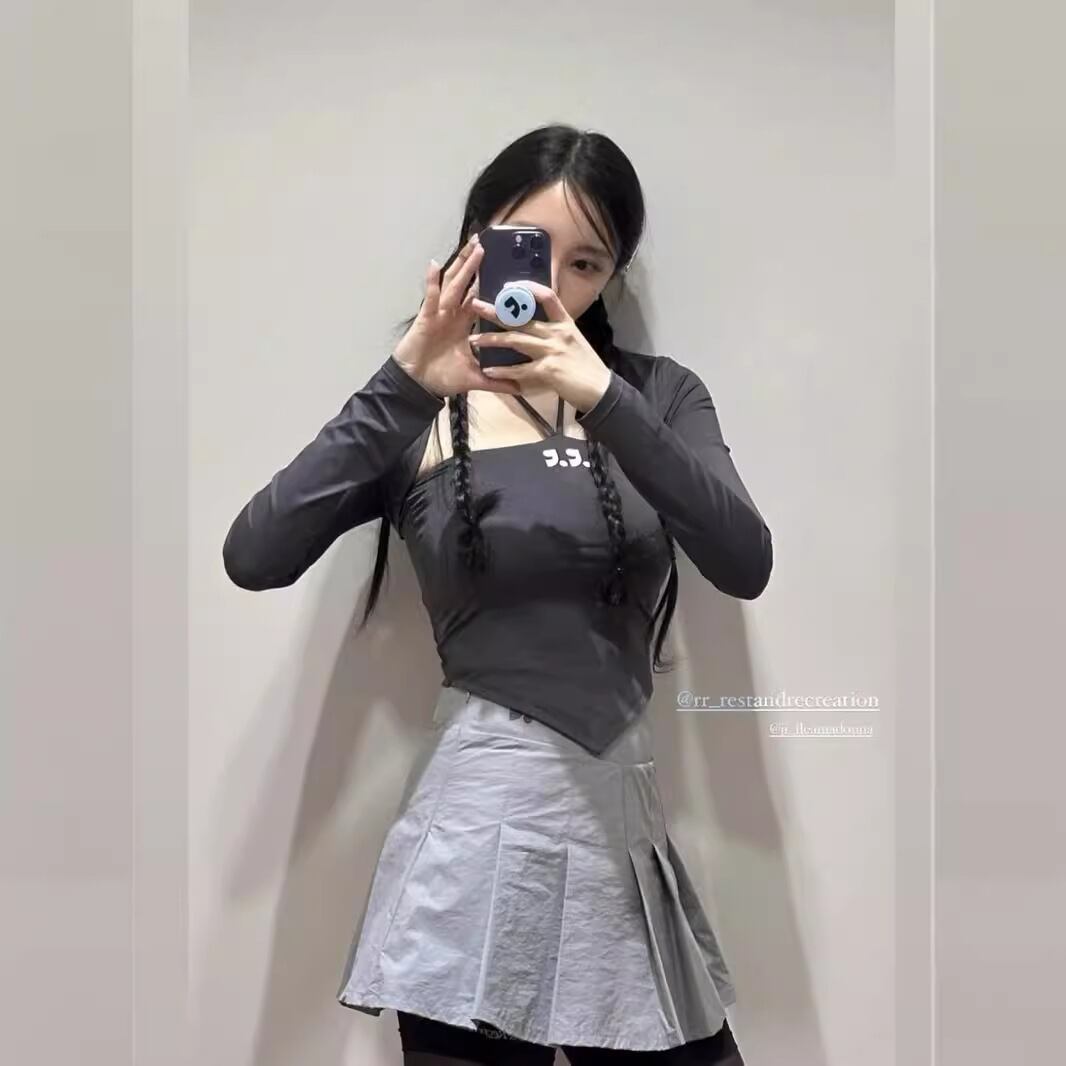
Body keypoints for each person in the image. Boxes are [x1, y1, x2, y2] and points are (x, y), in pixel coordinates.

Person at [223, 124, 772, 1065]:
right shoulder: (420, 406)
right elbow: (256, 553)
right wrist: (405, 382)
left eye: (587, 262)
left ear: (612, 277)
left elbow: (744, 559)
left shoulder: (659, 394)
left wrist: (605, 400)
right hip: (471, 833)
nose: (551, 283)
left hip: (620, 816)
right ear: (476, 238)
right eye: (530, 246)